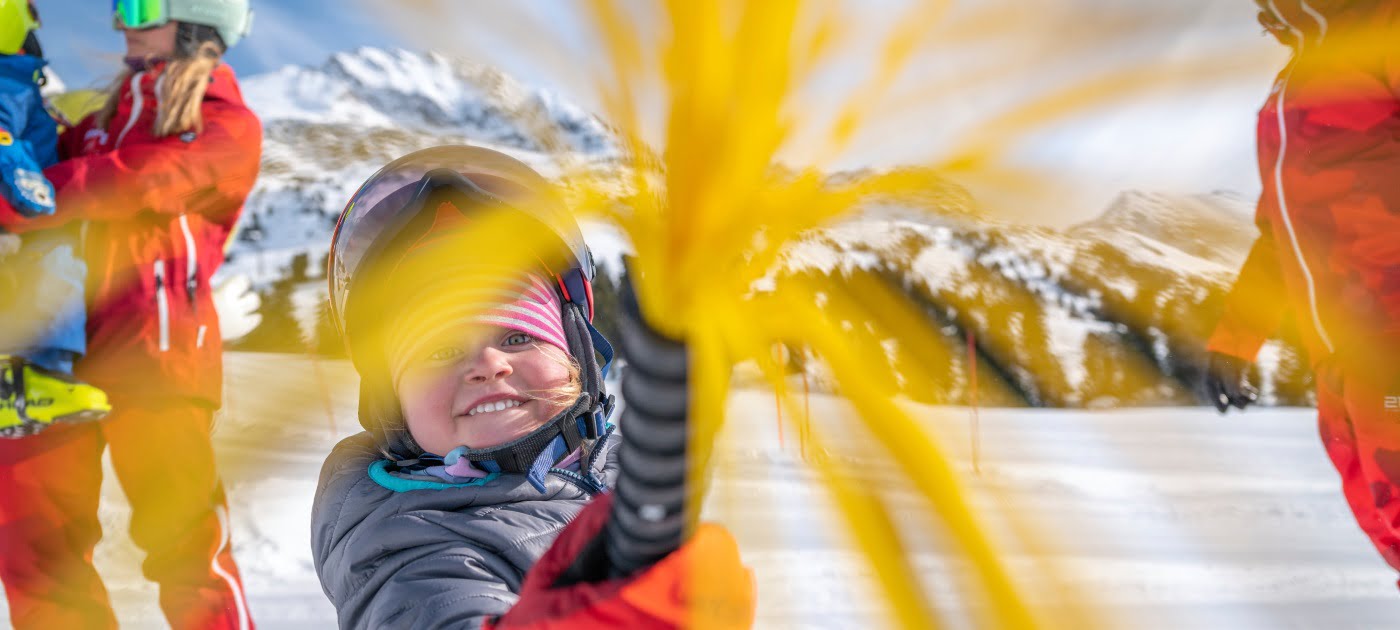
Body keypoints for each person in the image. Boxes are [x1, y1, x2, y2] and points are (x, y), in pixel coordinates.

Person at [311, 145, 755, 628]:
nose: (487, 363)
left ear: (576, 358)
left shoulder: (626, 465)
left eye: (518, 337)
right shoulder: (408, 544)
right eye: (439, 351)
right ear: (390, 399)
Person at [0, 1, 261, 627]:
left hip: (157, 357)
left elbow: (141, 182)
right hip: (54, 362)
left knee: (186, 550)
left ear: (200, 21)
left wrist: (37, 195)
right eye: (120, 6)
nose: (121, 24)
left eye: (140, 7)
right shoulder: (92, 123)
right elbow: (23, 166)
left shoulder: (224, 123)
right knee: (39, 559)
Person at [1206, 0, 1400, 582]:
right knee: (1382, 510)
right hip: (1338, 356)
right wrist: (1235, 339)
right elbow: (1280, 232)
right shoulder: (1294, 80)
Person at [0, 0, 109, 437]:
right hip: (30, 218)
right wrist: (25, 187)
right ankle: (45, 372)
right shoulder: (10, 81)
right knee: (58, 264)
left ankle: (24, 386)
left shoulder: (20, 81)